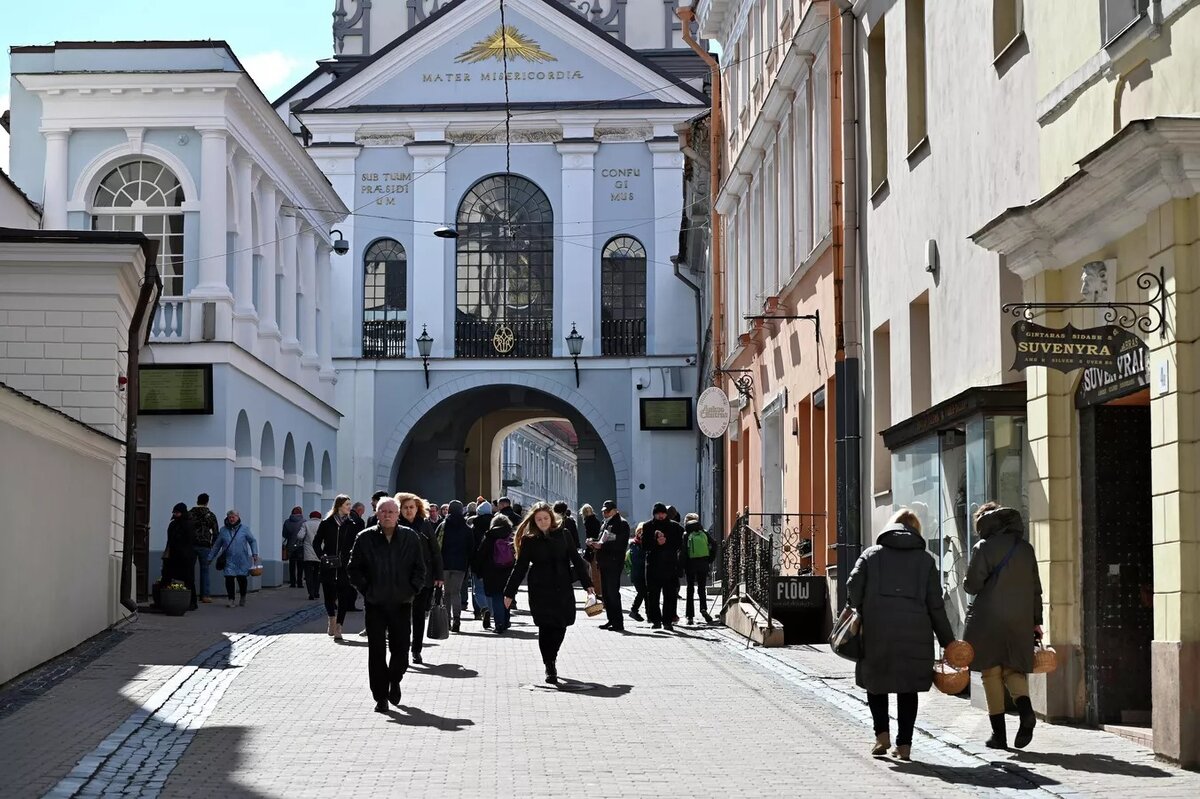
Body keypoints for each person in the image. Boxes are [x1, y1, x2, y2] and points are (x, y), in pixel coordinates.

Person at [846, 508, 955, 761]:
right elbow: (935, 604)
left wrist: (860, 608)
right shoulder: (926, 561)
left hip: (876, 633)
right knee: (908, 690)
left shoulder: (871, 555)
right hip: (915, 637)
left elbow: (853, 585)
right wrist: (949, 642)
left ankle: (881, 735)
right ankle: (904, 745)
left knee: (876, 683)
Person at [963, 503, 1043, 750]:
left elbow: (972, 585)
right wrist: (1036, 621)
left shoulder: (983, 547)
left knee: (990, 672)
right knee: (1013, 669)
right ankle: (1026, 711)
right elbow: (1035, 589)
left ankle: (999, 736)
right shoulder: (1025, 548)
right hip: (1020, 618)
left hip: (989, 618)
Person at [346, 496, 427, 714]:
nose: (387, 515)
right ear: (377, 514)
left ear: (398, 514)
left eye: (391, 512)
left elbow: (420, 568)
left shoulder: (410, 538)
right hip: (376, 603)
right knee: (377, 651)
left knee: (401, 649)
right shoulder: (365, 538)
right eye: (383, 512)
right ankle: (380, 696)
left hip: (402, 602)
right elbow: (353, 569)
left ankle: (395, 679)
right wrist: (367, 590)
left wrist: (412, 590)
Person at [505, 502, 595, 683]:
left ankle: (552, 655)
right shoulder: (529, 540)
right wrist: (509, 592)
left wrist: (588, 585)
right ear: (534, 521)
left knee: (561, 624)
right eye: (539, 519)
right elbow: (520, 567)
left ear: (552, 518)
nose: (543, 522)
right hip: (540, 588)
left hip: (562, 586)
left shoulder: (564, 534)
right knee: (545, 627)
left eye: (546, 518)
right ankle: (550, 664)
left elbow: (577, 560)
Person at [396, 493, 445, 664]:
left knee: (418, 616)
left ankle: (416, 650)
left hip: (422, 579)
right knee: (401, 617)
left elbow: (435, 551)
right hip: (399, 580)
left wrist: (439, 575)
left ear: (417, 508)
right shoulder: (395, 524)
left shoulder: (424, 525)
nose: (409, 511)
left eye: (412, 507)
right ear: (400, 509)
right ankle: (401, 650)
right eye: (405, 508)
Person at [314, 495, 357, 641]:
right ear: (339, 506)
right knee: (329, 597)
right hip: (329, 566)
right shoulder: (326, 523)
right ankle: (331, 618)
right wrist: (322, 556)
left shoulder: (352, 524)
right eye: (347, 505)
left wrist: (352, 559)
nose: (349, 507)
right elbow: (316, 542)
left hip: (345, 567)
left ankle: (339, 627)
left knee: (344, 597)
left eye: (350, 504)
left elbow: (356, 545)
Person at [641, 502, 685, 631]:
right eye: (658, 513)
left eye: (663, 513)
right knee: (653, 595)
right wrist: (656, 542)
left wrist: (665, 542)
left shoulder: (675, 527)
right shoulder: (648, 526)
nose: (660, 516)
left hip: (670, 566)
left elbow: (679, 545)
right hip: (653, 566)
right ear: (654, 514)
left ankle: (667, 621)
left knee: (670, 595)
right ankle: (656, 620)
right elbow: (645, 546)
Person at [589, 500, 630, 632]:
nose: (604, 513)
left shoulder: (621, 523)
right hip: (604, 562)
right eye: (603, 511)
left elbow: (620, 543)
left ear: (614, 510)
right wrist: (593, 542)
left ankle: (618, 623)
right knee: (606, 593)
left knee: (613, 593)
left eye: (607, 511)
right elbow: (603, 539)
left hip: (613, 562)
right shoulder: (605, 523)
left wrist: (601, 545)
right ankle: (611, 620)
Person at [476, 513, 516, 633]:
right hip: (509, 570)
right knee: (507, 596)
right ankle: (506, 621)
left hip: (492, 571)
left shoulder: (490, 536)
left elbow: (481, 554)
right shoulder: (511, 535)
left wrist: (479, 571)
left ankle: (499, 624)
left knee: (497, 597)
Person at [439, 500, 474, 633]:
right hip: (460, 565)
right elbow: (471, 549)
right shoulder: (466, 528)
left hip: (445, 564)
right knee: (456, 593)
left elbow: (437, 545)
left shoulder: (443, 526)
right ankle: (457, 620)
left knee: (446, 593)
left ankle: (447, 620)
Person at [213, 510, 260, 608]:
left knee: (241, 579)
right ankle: (231, 599)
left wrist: (255, 553)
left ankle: (243, 596)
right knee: (229, 578)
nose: (231, 519)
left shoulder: (244, 529)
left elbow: (252, 541)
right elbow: (217, 545)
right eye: (230, 517)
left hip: (241, 559)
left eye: (233, 517)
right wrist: (210, 557)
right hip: (228, 559)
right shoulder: (223, 530)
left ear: (238, 517)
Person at [683, 513, 717, 625]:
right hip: (703, 563)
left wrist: (682, 565)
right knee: (701, 588)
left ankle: (690, 616)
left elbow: (683, 552)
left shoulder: (686, 534)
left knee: (690, 589)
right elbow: (714, 544)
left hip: (690, 564)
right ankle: (703, 609)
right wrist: (709, 559)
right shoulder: (704, 533)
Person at [162, 502, 197, 611]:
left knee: (188, 580)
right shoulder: (173, 524)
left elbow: (189, 541)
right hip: (173, 555)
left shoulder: (188, 524)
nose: (175, 514)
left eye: (177, 512)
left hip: (185, 556)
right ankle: (165, 601)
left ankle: (192, 602)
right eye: (174, 512)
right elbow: (170, 539)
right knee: (167, 577)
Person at [188, 493, 219, 604]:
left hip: (191, 544)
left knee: (189, 570)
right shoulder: (211, 515)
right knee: (205, 571)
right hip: (205, 545)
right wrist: (213, 546)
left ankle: (190, 594)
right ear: (207, 502)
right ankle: (205, 595)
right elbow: (216, 532)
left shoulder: (190, 514)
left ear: (197, 501)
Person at [470, 500, 495, 625]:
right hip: (492, 563)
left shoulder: (474, 527)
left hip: (477, 562)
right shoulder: (495, 526)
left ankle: (484, 609)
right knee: (490, 589)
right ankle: (490, 612)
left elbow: (470, 546)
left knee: (478, 590)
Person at [297, 511, 323, 600]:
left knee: (308, 574)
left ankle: (310, 593)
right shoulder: (322, 524)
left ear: (310, 516)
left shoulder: (306, 524)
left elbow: (300, 536)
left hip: (308, 552)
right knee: (317, 573)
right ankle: (316, 592)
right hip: (319, 552)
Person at [580, 503, 603, 599]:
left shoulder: (588, 522)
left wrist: (590, 541)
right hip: (595, 548)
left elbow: (592, 536)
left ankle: (598, 593)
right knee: (595, 572)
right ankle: (598, 592)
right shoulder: (596, 520)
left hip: (593, 548)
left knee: (594, 572)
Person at [627, 524, 647, 622]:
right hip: (637, 574)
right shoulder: (634, 545)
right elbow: (637, 560)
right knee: (642, 592)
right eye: (640, 532)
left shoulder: (645, 544)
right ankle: (634, 610)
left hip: (644, 574)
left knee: (646, 593)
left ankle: (649, 615)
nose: (642, 534)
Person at [282, 506, 305, 588]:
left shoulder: (287, 522)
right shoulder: (304, 522)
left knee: (291, 564)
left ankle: (292, 582)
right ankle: (300, 582)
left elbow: (284, 534)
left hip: (290, 545)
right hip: (301, 545)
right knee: (300, 565)